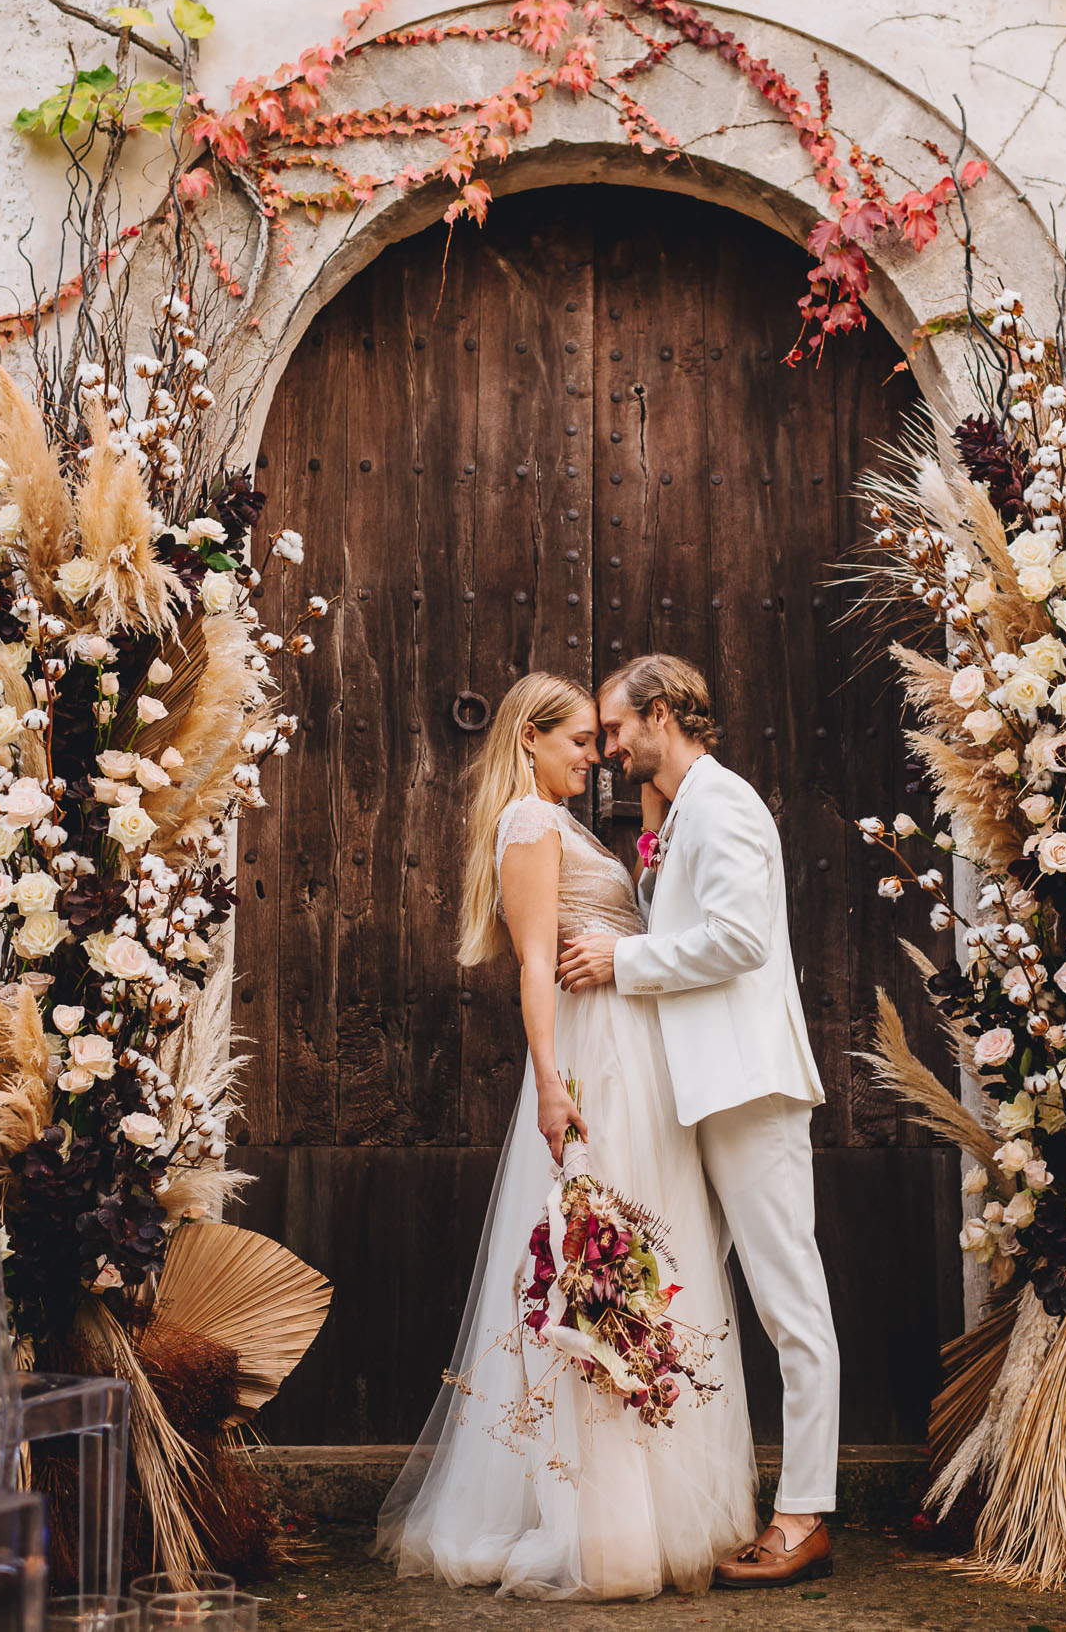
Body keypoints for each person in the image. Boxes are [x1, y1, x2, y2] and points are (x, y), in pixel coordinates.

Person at [374, 671, 756, 1600]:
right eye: (580, 740)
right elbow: (536, 965)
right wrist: (550, 1083)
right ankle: (607, 1521)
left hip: (634, 1050)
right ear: (529, 741)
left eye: (600, 737)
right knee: (602, 1263)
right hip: (593, 1060)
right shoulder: (529, 827)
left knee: (643, 1257)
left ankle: (656, 1502)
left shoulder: (566, 823)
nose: (598, 755)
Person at [557, 653, 839, 1590]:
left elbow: (739, 939)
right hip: (697, 1092)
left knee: (787, 1300)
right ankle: (713, 1500)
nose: (605, 747)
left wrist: (621, 960)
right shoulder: (679, 815)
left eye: (616, 728)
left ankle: (804, 1517)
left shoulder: (726, 805)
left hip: (747, 1087)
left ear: (665, 712)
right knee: (702, 1301)